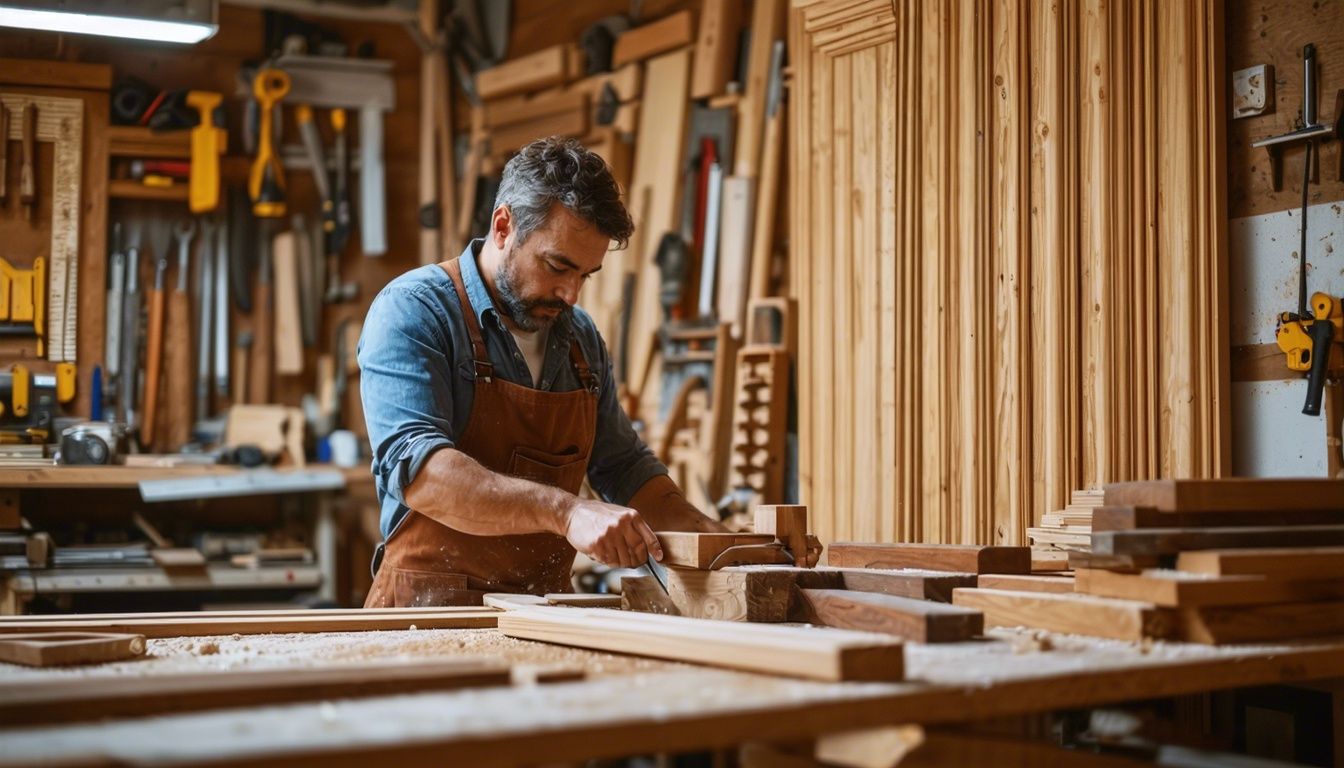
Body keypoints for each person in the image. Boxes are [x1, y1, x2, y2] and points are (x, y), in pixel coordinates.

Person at [358, 136, 725, 607]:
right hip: (425, 613)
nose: (572, 294)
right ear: (504, 225)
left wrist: (724, 544)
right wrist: (567, 512)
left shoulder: (579, 339)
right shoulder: (415, 311)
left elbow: (623, 468)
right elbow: (422, 472)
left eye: (586, 276)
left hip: (544, 615)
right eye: (558, 266)